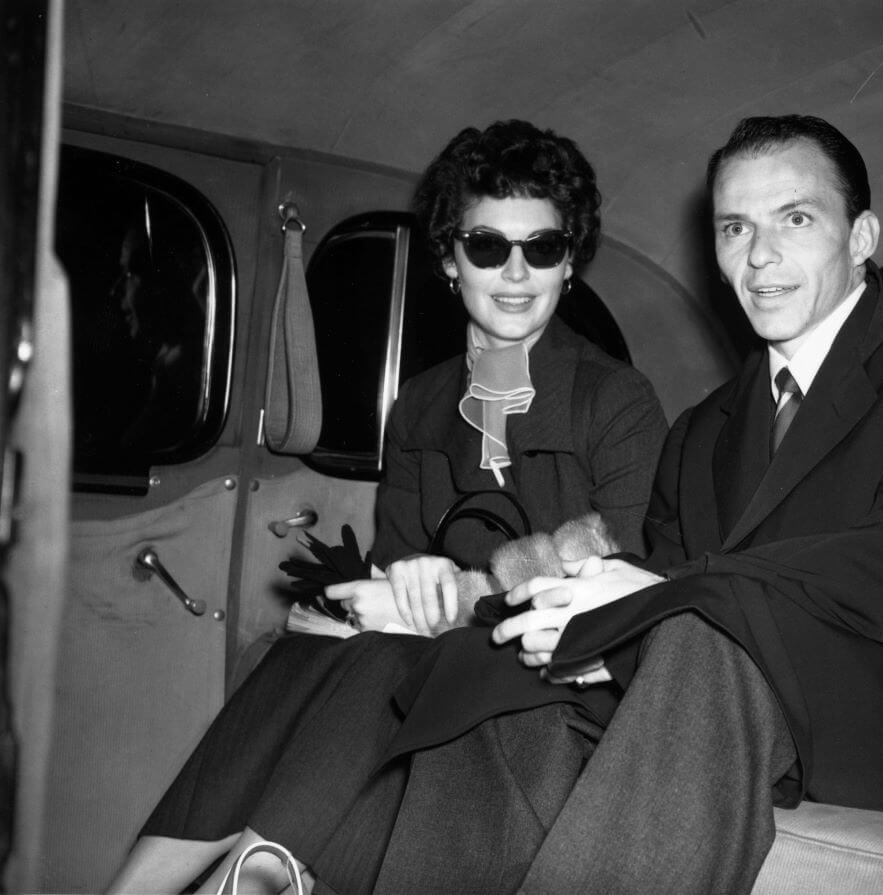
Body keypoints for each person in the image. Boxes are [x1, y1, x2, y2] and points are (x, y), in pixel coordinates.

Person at [105, 119, 667, 894]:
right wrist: (390, 590)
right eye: (486, 245)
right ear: (447, 258)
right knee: (308, 652)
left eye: (542, 247)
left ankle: (258, 873)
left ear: (569, 264)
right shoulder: (420, 405)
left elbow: (615, 552)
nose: (515, 272)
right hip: (439, 652)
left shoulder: (617, 398)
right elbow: (401, 558)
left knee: (376, 659)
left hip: (556, 666)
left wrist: (458, 595)